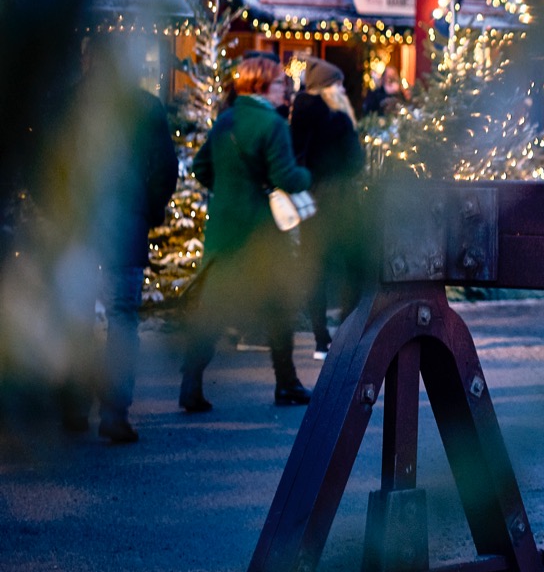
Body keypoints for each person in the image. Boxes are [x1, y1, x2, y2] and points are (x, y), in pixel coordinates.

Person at [182, 54, 316, 410]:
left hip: (224, 231)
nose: (283, 91)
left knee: (214, 309)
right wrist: (307, 177)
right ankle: (286, 384)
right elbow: (287, 177)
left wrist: (228, 191)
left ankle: (191, 385)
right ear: (259, 85)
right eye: (278, 84)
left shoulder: (225, 120)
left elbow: (200, 167)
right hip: (260, 233)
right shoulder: (272, 125)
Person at [81, 37, 178, 443]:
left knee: (76, 313)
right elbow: (165, 169)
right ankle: (114, 413)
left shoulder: (70, 103)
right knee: (123, 317)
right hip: (127, 220)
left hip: (80, 224)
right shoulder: (145, 107)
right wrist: (149, 211)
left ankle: (71, 406)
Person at [291, 60, 366, 358]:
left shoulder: (298, 115)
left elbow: (296, 160)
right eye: (338, 83)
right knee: (356, 267)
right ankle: (346, 331)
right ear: (326, 88)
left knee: (316, 273)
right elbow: (356, 162)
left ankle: (321, 339)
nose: (343, 89)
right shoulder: (339, 119)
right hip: (341, 204)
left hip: (311, 204)